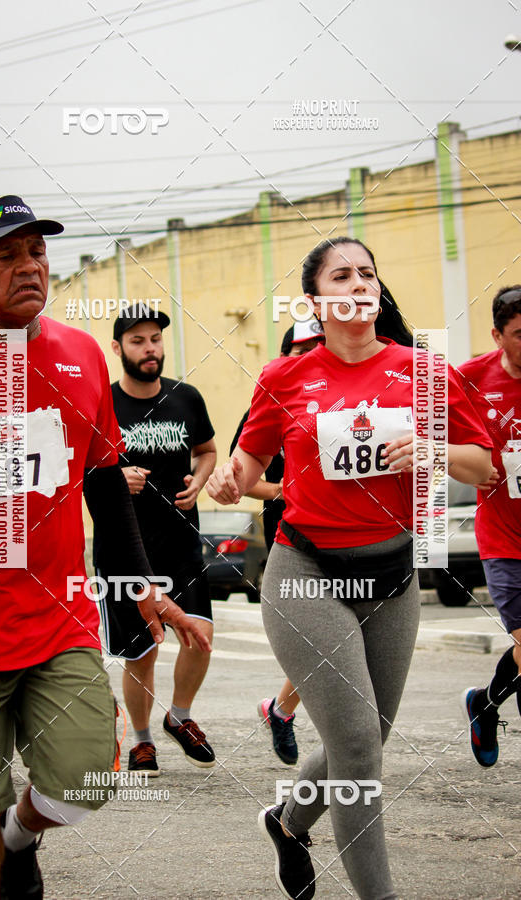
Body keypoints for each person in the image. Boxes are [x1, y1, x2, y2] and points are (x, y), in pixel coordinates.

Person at [0, 196, 210, 900]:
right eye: (6, 255)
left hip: (58, 616)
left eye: (37, 252)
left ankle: (21, 842)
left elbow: (104, 481)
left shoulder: (79, 354)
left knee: (86, 780)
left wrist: (144, 586)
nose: (29, 267)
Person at [206, 236, 492, 900]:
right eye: (342, 275)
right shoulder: (286, 377)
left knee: (362, 743)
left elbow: (485, 465)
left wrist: (432, 451)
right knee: (359, 749)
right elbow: (247, 470)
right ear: (315, 300)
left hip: (392, 580)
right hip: (305, 573)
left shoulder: (422, 373)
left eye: (368, 271)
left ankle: (287, 821)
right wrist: (226, 482)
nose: (359, 282)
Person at [85, 303, 217, 777]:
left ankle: (179, 716)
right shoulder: (102, 404)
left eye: (156, 339)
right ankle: (142, 742)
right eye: (138, 341)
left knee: (199, 635)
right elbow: (82, 472)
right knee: (143, 650)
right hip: (123, 549)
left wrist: (200, 480)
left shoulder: (187, 398)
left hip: (181, 542)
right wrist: (117, 477)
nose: (150, 349)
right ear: (118, 348)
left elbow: (206, 452)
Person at [230, 320, 324, 766]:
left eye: (317, 346)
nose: (308, 356)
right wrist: (283, 490)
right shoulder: (270, 400)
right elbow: (239, 476)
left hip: (348, 540)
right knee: (319, 641)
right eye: (300, 348)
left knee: (337, 642)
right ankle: (289, 713)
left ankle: (281, 709)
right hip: (292, 543)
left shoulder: (341, 400)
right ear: (285, 355)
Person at [458, 286, 521, 766]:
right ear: (497, 335)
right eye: (520, 335)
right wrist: (475, 465)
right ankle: (485, 703)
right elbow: (438, 439)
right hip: (505, 536)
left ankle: (486, 702)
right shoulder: (468, 380)